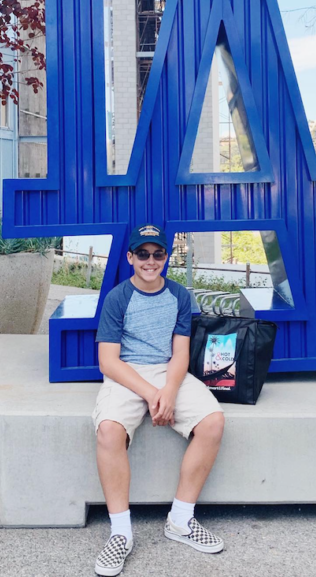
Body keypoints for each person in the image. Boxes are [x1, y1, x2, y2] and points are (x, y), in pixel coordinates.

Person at [92, 224, 225, 576]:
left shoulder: (180, 296)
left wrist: (168, 389)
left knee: (212, 422)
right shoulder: (118, 298)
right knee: (108, 430)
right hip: (127, 374)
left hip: (168, 372)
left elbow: (180, 353)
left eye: (158, 254)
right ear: (130, 257)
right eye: (143, 254)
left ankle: (181, 520)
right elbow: (108, 361)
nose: (151, 261)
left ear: (167, 257)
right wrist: (152, 394)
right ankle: (121, 533)